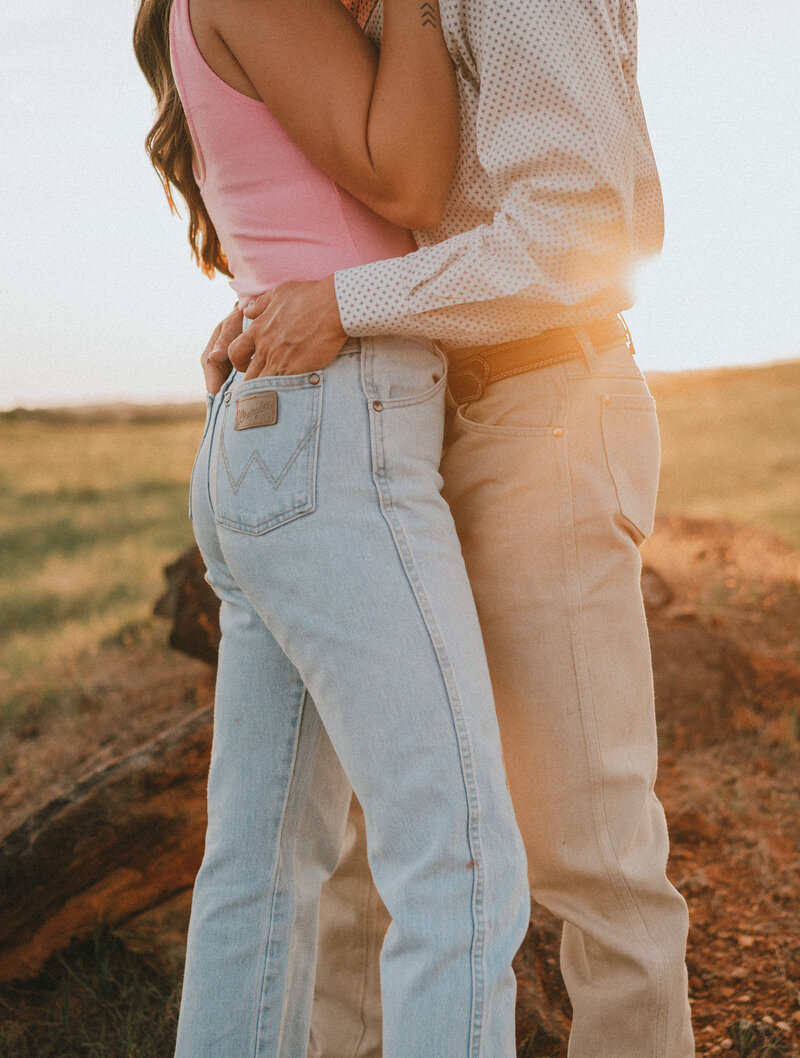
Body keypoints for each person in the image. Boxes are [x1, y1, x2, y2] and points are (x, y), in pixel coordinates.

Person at [205, 1, 697, 1056]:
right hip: (394, 412)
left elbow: (576, 231)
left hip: (539, 412)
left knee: (586, 845)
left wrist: (345, 300)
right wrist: (281, 309)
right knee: (367, 846)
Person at [133, 1, 531, 1057]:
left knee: (258, 869)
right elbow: (408, 180)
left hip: (281, 441)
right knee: (457, 863)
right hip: (335, 441)